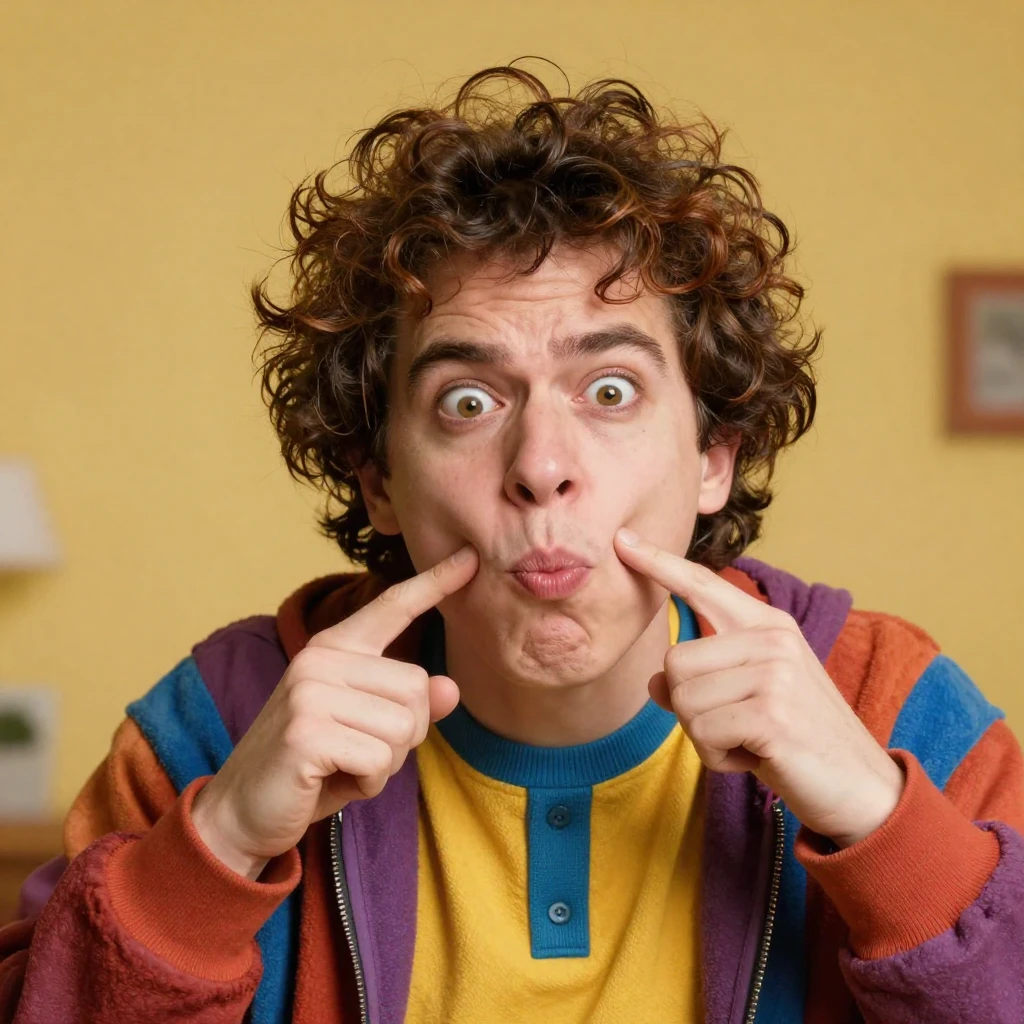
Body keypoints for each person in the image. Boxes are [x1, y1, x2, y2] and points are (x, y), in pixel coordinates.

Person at [1, 64, 1022, 1024]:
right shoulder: (217, 725)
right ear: (379, 480)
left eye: (610, 390)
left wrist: (886, 827)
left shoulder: (891, 704)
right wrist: (218, 842)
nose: (541, 464)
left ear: (713, 456)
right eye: (468, 401)